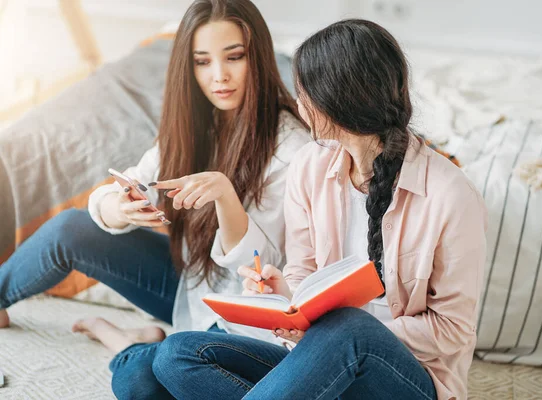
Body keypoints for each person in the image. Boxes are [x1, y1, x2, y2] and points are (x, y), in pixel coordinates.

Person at [152, 19, 488, 400]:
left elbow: (453, 329)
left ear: (338, 98)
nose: (299, 104)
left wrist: (332, 327)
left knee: (350, 328)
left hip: (408, 377)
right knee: (178, 355)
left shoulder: (450, 195)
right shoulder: (310, 166)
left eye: (304, 91)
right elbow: (303, 272)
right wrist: (288, 298)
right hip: (320, 359)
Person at [0, 0, 308, 398]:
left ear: (259, 57)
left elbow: (260, 267)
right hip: (191, 287)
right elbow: (126, 184)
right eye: (202, 62)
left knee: (140, 382)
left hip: (244, 316)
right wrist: (118, 206)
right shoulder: (197, 125)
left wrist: (225, 198)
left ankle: (126, 343)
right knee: (70, 229)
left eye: (235, 57)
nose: (219, 76)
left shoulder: (293, 146)